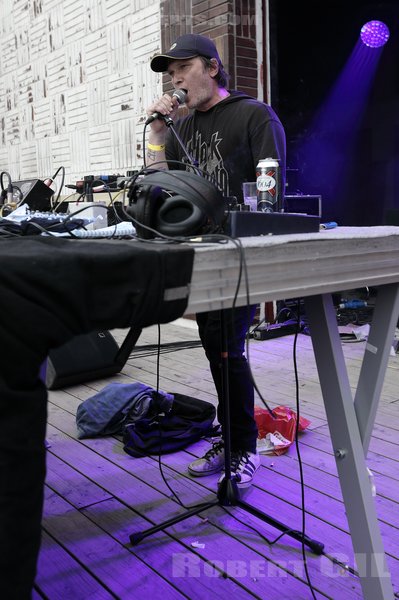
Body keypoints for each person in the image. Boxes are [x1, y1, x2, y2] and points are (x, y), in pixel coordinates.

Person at [146, 33, 286, 488]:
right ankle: (232, 438)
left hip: (240, 252)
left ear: (211, 67)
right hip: (200, 253)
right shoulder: (182, 129)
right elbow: (162, 189)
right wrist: (159, 134)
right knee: (215, 349)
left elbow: (271, 184)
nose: (176, 79)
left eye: (182, 68)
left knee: (228, 348)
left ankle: (243, 448)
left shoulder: (252, 114)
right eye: (171, 73)